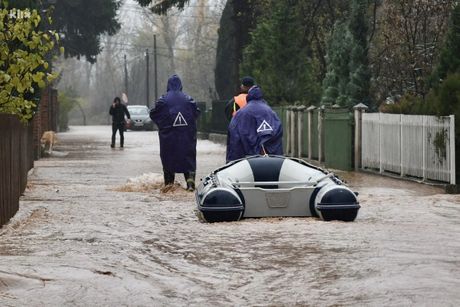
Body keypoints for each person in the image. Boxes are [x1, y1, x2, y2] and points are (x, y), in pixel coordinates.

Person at [149, 74, 200, 191]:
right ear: (181, 85)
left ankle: (169, 185)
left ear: (168, 85)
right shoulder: (188, 99)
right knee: (188, 159)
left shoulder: (163, 100)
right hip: (187, 136)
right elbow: (196, 112)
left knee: (168, 159)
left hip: (169, 137)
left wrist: (163, 125)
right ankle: (191, 184)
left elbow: (153, 113)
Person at [226, 84, 283, 162]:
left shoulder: (240, 113)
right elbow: (278, 131)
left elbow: (233, 135)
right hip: (271, 160)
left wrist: (231, 160)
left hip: (245, 158)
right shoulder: (271, 112)